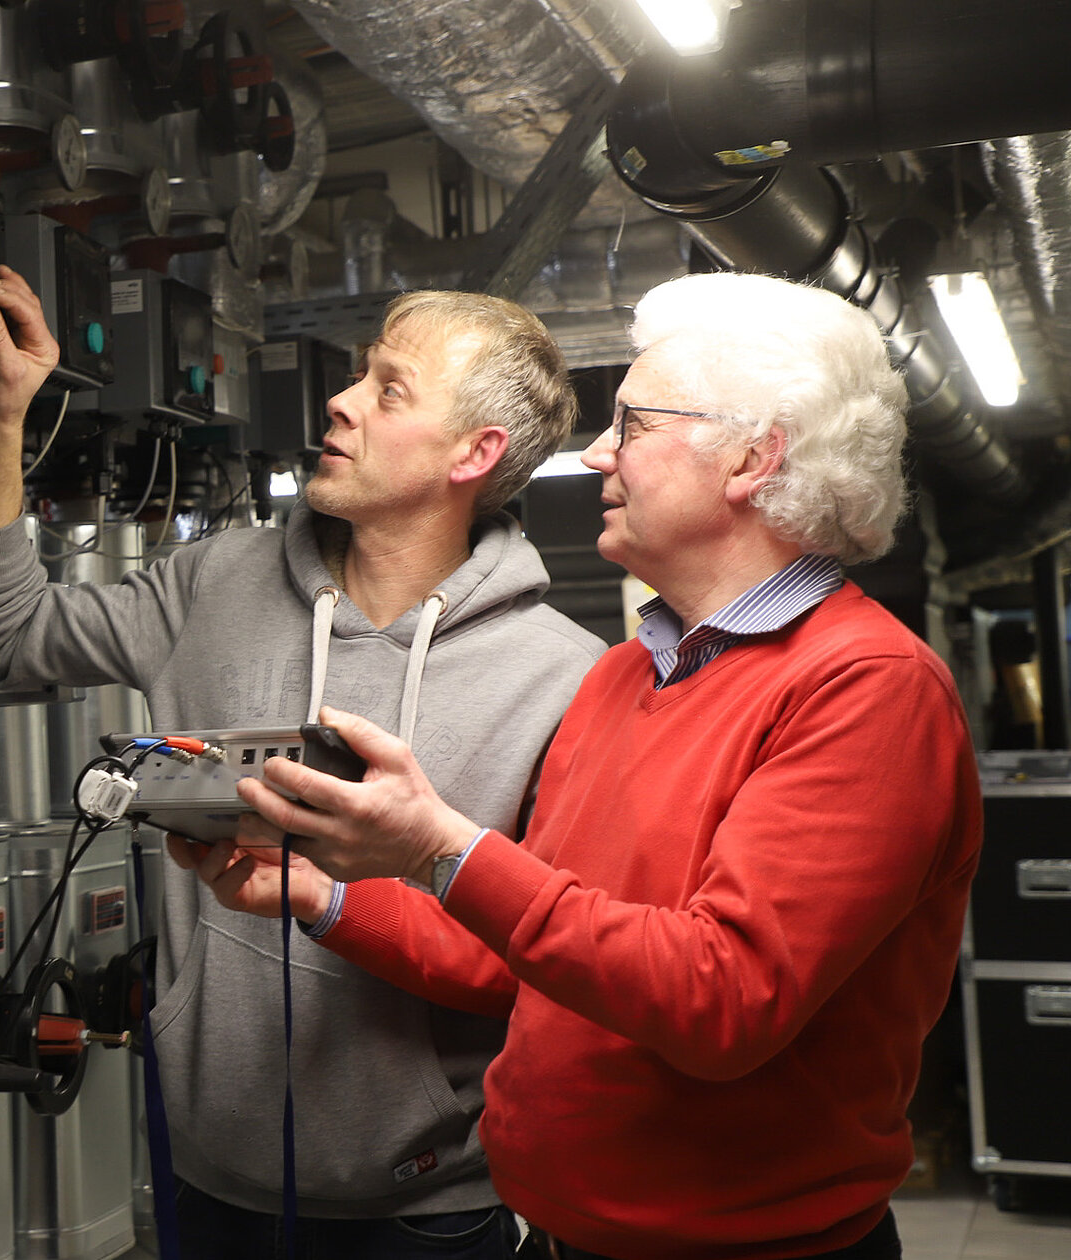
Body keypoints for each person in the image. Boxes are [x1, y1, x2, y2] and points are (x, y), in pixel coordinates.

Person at [182, 271, 983, 1260]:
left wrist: (441, 848)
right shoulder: (621, 677)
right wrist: (318, 893)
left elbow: (725, 998)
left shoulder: (868, 688)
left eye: (632, 424)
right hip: (562, 1234)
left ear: (752, 458)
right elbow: (525, 949)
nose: (598, 452)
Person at [0, 266, 604, 1258]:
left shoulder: (564, 676)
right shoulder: (216, 580)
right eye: (358, 374)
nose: (340, 402)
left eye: (389, 390)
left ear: (473, 453)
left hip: (430, 1211)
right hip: (208, 1176)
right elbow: (3, 641)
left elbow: (553, 955)